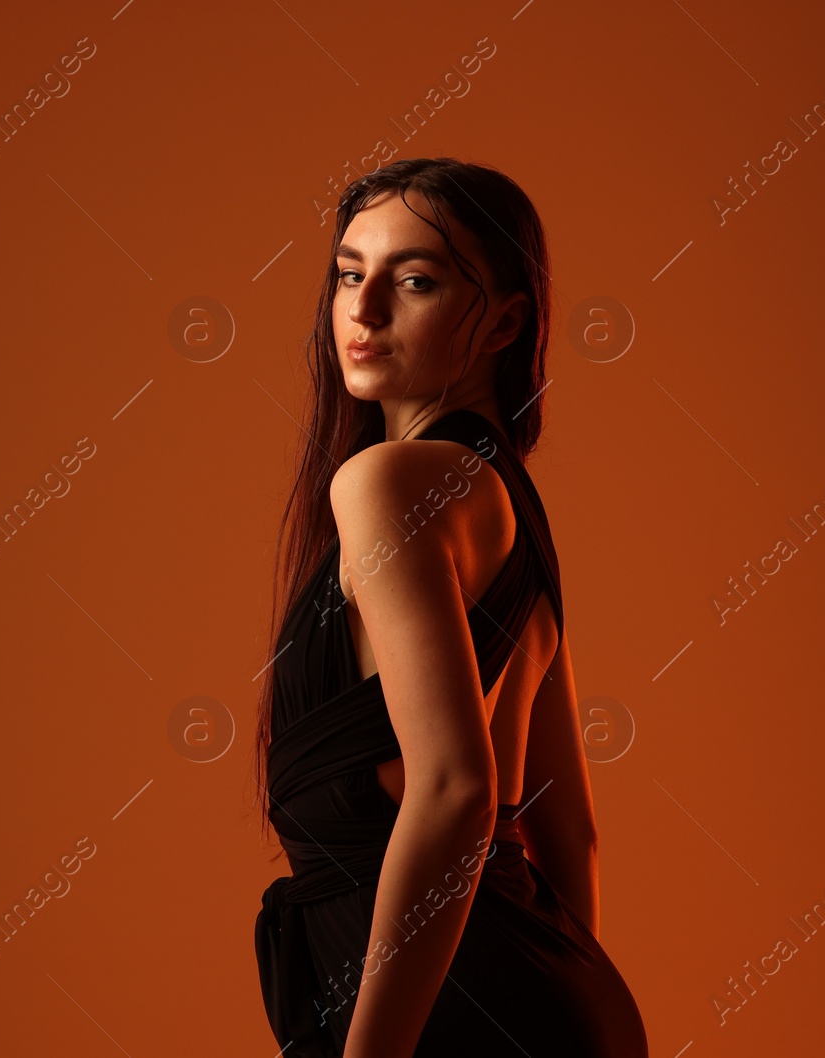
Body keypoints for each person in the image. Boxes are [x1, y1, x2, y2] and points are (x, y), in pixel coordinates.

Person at [253, 157, 648, 1057]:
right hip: (544, 988)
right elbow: (568, 826)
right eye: (351, 274)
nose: (364, 308)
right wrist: (559, 992)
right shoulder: (508, 509)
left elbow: (460, 788)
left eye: (417, 280)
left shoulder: (386, 484)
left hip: (441, 1008)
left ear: (507, 320)